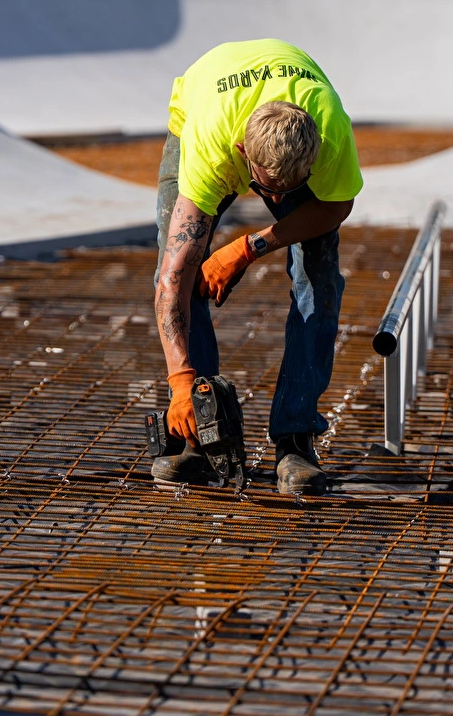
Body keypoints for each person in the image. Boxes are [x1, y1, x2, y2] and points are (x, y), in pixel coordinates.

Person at [152, 38, 363, 495]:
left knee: (319, 279)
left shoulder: (329, 131)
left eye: (294, 189)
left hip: (285, 121)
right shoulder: (210, 149)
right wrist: (181, 381)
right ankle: (201, 431)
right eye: (270, 190)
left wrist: (248, 248)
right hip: (205, 110)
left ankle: (295, 438)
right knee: (182, 270)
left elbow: (335, 205)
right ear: (243, 156)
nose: (279, 203)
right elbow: (172, 278)